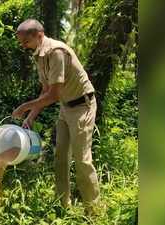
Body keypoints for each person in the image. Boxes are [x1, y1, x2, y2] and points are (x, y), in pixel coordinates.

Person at [12, 19, 100, 214]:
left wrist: (25, 107)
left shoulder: (56, 52)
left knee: (82, 160)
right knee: (60, 157)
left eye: (25, 41)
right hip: (65, 108)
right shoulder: (40, 55)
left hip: (82, 106)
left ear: (39, 35)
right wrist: (31, 117)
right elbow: (46, 90)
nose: (23, 46)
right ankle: (63, 205)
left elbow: (54, 95)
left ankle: (94, 212)